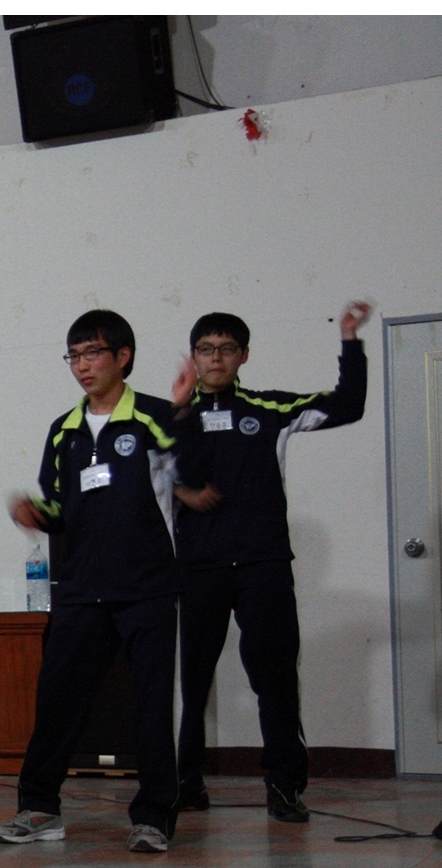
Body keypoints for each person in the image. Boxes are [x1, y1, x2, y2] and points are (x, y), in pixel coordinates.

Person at [167, 303, 371, 822]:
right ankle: (186, 782)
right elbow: (153, 475)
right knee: (191, 680)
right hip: (198, 568)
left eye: (226, 349)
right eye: (206, 349)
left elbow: (348, 405)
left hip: (263, 565)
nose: (216, 358)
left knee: (275, 678)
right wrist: (180, 416)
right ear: (193, 356)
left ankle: (284, 786)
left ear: (244, 355)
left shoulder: (269, 409)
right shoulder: (170, 415)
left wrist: (349, 339)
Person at [0, 309, 186, 853]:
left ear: (122, 357)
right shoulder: (64, 430)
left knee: (150, 706)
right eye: (73, 356)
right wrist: (39, 513)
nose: (82, 365)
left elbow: (191, 469)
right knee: (57, 700)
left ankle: (153, 818)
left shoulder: (154, 416)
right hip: (81, 588)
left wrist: (184, 415)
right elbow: (60, 505)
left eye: (92, 353)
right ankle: (39, 809)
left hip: (147, 586)